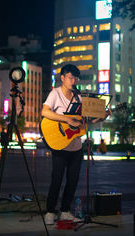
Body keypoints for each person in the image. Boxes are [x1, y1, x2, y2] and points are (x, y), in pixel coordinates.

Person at [41, 64, 108, 225]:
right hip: (60, 145)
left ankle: (65, 210)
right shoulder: (55, 93)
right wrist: (67, 119)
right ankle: (50, 211)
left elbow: (85, 122)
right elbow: (45, 112)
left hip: (76, 146)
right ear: (62, 78)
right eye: (70, 77)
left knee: (73, 180)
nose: (73, 81)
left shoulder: (78, 97)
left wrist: (102, 117)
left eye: (76, 78)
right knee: (57, 179)